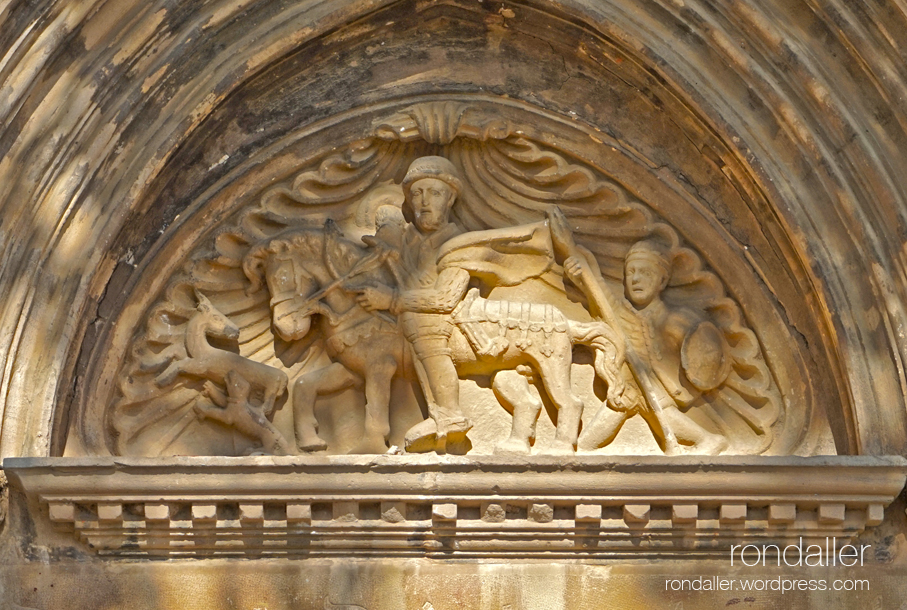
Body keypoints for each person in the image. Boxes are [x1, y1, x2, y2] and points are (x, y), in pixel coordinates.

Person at [355, 156, 474, 451]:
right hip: (402, 320)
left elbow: (445, 298)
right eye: (417, 194)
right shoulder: (405, 240)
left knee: (426, 331)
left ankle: (449, 414)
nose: (424, 201)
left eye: (434, 193)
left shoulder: (460, 243)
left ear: (450, 199)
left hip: (444, 321)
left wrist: (392, 299)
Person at [568, 240, 728, 454]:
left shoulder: (677, 320)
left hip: (659, 390)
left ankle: (709, 439)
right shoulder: (623, 313)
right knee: (622, 405)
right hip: (630, 389)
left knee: (645, 407)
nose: (635, 279)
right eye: (631, 272)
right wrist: (577, 264)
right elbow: (601, 294)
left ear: (662, 281)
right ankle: (581, 449)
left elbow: (702, 353)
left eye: (645, 272)